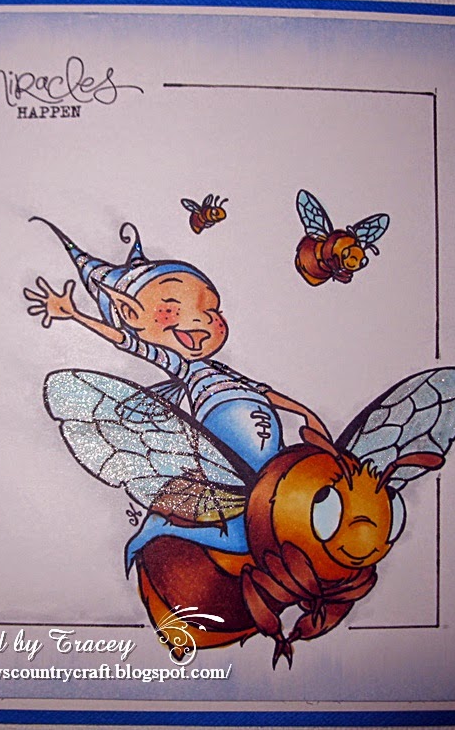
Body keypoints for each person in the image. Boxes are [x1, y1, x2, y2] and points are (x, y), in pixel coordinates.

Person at [24, 218, 329, 557]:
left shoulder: (221, 369)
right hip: (226, 434)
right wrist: (76, 315)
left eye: (211, 310)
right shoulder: (180, 364)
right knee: (250, 522)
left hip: (268, 433)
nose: (202, 320)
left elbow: (262, 390)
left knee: (289, 492)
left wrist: (304, 412)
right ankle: (164, 528)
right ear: (131, 313)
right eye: (173, 308)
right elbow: (127, 343)